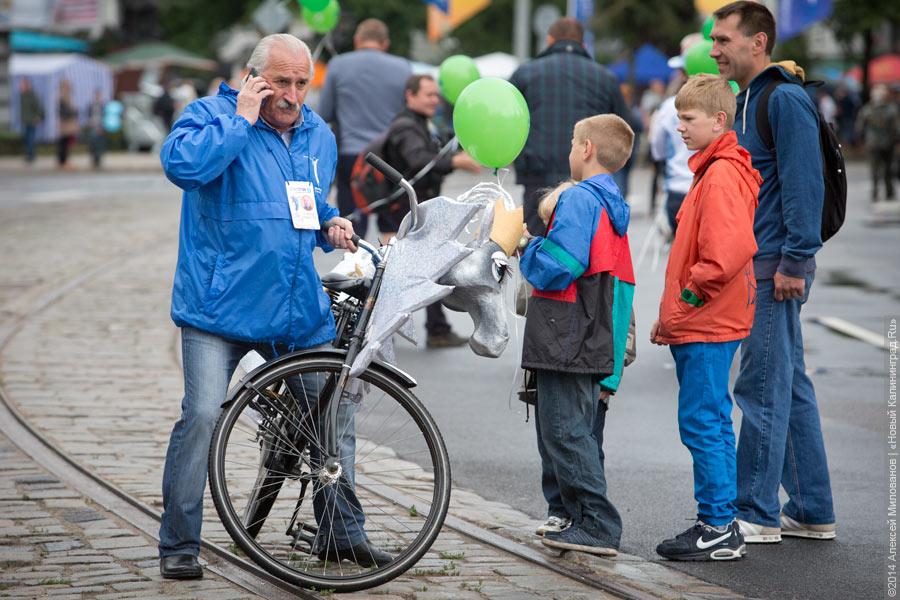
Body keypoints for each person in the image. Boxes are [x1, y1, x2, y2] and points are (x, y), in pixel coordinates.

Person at [157, 33, 391, 581]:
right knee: (201, 414)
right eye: (280, 82)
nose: (291, 95)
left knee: (333, 412)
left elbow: (305, 204)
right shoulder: (209, 115)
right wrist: (239, 119)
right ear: (252, 77)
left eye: (300, 84)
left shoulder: (318, 133)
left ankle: (340, 534)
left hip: (292, 309)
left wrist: (330, 222)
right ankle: (179, 543)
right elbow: (184, 168)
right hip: (217, 307)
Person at [710, 0, 837, 544]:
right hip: (761, 264)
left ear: (757, 42)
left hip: (773, 268)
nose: (714, 50)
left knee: (760, 387)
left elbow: (805, 185)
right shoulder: (749, 100)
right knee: (790, 386)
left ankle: (756, 513)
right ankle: (811, 510)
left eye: (723, 40)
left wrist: (795, 260)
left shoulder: (783, 99)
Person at [650, 74, 761, 561]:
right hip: (711, 317)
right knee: (710, 419)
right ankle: (720, 521)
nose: (680, 127)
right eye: (677, 118)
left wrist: (685, 303)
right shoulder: (715, 167)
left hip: (708, 320)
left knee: (703, 421)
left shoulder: (718, 174)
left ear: (719, 120)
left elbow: (724, 255)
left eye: (688, 119)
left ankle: (717, 525)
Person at [520, 114, 635, 556]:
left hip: (566, 330)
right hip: (587, 330)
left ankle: (598, 524)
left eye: (572, 142)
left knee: (565, 430)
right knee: (572, 428)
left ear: (586, 149)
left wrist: (526, 245)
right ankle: (577, 517)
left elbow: (561, 264)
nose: (569, 150)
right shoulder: (608, 200)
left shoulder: (580, 200)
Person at [381, 74, 481, 348]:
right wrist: (455, 162)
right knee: (392, 275)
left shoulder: (420, 124)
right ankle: (372, 328)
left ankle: (437, 328)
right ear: (410, 96)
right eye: (428, 95)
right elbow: (418, 160)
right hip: (401, 212)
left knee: (428, 270)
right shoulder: (404, 127)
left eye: (436, 95)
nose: (435, 100)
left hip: (417, 209)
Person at [509, 17, 629, 237]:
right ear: (583, 44)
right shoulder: (605, 77)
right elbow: (624, 126)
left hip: (536, 175)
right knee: (582, 244)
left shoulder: (525, 73)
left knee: (536, 243)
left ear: (549, 40)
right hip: (587, 177)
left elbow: (507, 119)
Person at [318, 18, 411, 239]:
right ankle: (387, 272)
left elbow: (324, 113)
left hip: (352, 157)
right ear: (385, 43)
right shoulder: (403, 67)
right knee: (391, 230)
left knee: (350, 231)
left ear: (357, 40)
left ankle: (354, 270)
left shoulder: (338, 66)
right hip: (389, 159)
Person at [650, 36, 701, 234]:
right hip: (703, 189)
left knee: (681, 257)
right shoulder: (727, 103)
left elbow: (657, 147)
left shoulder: (669, 106)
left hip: (678, 188)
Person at [856, 83, 899, 202]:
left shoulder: (866, 109)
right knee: (888, 169)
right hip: (888, 144)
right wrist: (896, 141)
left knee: (874, 169)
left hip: (872, 143)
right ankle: (889, 192)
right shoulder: (891, 109)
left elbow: (859, 127)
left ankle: (875, 192)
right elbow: (895, 129)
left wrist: (861, 141)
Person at [18, 78, 43, 164]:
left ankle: (31, 156)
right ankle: (30, 154)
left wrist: (38, 117)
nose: (21, 86)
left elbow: (38, 106)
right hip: (25, 120)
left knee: (30, 139)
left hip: (32, 120)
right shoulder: (23, 95)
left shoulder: (32, 95)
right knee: (26, 138)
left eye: (22, 84)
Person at [57, 79, 78, 169]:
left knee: (66, 143)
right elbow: (63, 111)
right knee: (64, 143)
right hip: (65, 124)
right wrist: (72, 112)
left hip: (68, 123)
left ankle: (63, 160)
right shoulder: (62, 97)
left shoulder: (66, 96)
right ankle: (63, 161)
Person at [86, 89, 107, 169]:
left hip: (100, 127)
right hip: (93, 126)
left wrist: (102, 127)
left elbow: (104, 117)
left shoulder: (102, 106)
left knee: (100, 144)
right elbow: (88, 116)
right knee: (93, 144)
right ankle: (94, 159)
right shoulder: (91, 106)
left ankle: (98, 160)